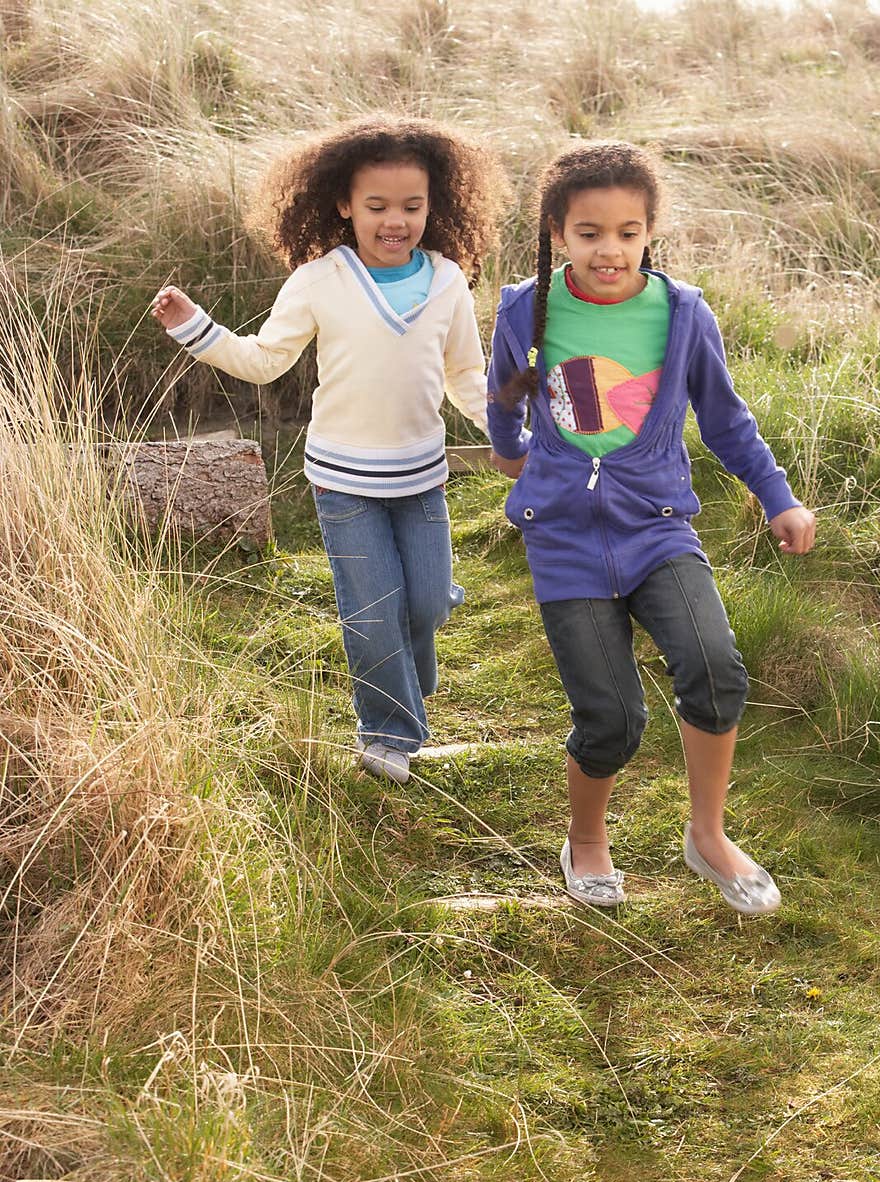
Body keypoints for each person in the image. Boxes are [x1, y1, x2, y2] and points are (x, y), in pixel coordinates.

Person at [486, 141, 815, 913]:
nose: (610, 249)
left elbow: (727, 422)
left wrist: (779, 498)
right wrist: (514, 455)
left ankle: (708, 836)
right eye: (590, 232)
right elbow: (504, 396)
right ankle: (588, 841)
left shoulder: (681, 314)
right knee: (611, 717)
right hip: (564, 537)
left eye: (628, 232)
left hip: (659, 526)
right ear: (557, 233)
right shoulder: (522, 308)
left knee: (715, 667)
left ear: (648, 234)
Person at [152, 115, 506, 784]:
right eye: (376, 206)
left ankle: (407, 664)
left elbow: (465, 378)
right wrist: (193, 327)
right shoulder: (321, 280)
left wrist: (517, 430)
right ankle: (388, 734)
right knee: (371, 611)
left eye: (412, 206)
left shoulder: (448, 280)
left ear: (435, 205)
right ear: (345, 204)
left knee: (427, 604)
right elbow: (263, 360)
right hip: (343, 481)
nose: (394, 220)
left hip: (421, 479)